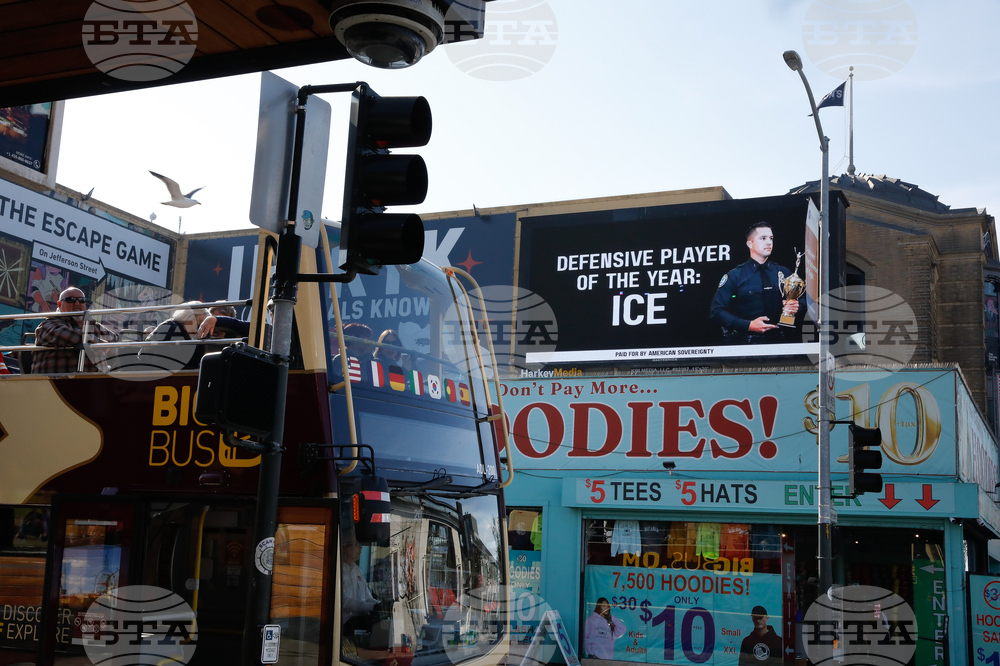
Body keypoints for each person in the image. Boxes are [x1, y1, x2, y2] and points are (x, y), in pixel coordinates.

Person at [710, 223, 803, 345]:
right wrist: (748, 325)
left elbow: (805, 301)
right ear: (750, 244)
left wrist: (797, 306)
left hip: (782, 341)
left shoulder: (783, 272)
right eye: (763, 238)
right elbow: (716, 312)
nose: (769, 242)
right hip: (746, 343)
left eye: (771, 238)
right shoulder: (735, 275)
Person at [33, 287, 118, 374]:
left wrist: (108, 347)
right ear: (59, 304)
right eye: (70, 299)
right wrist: (100, 345)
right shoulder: (48, 324)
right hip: (56, 382)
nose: (77, 303)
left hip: (95, 382)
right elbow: (71, 336)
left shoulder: (91, 324)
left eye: (81, 300)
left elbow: (114, 340)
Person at [140, 302, 210, 370]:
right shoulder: (171, 328)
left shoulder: (188, 333)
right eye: (199, 322)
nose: (200, 327)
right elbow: (164, 362)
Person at [341, 529, 378, 634]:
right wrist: (373, 607)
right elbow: (343, 602)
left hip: (357, 624)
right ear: (344, 547)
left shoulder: (357, 570)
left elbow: (367, 597)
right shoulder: (338, 570)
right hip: (343, 626)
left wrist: (380, 605)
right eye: (356, 544)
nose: (361, 548)